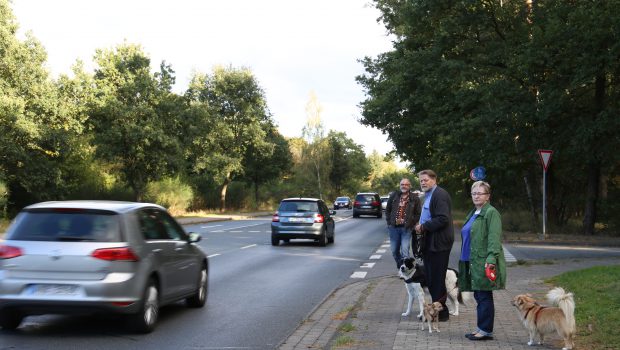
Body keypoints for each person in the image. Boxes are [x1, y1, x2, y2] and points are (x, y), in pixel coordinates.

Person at [459, 181, 506, 341]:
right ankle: (481, 328)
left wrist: (491, 258)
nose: (477, 196)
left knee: (484, 295)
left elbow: (494, 238)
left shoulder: (491, 213)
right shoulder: (474, 212)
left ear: (488, 196)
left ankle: (485, 330)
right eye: (474, 193)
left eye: (480, 193)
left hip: (483, 261)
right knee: (479, 295)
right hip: (471, 260)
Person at [414, 170, 454, 321]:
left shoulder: (440, 195)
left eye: (425, 180)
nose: (423, 183)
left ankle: (441, 313)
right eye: (421, 181)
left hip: (439, 244)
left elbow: (443, 218)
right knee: (431, 279)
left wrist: (423, 227)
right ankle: (438, 311)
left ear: (434, 179)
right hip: (431, 243)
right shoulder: (430, 195)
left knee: (436, 279)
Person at [385, 178, 421, 269]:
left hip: (406, 228)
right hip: (393, 228)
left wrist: (412, 223)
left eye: (406, 184)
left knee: (405, 251)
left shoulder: (415, 198)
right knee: (394, 251)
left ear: (409, 186)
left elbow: (418, 214)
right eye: (402, 184)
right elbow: (388, 210)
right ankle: (401, 267)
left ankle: (406, 270)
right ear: (400, 185)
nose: (404, 186)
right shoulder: (394, 196)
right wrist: (389, 222)